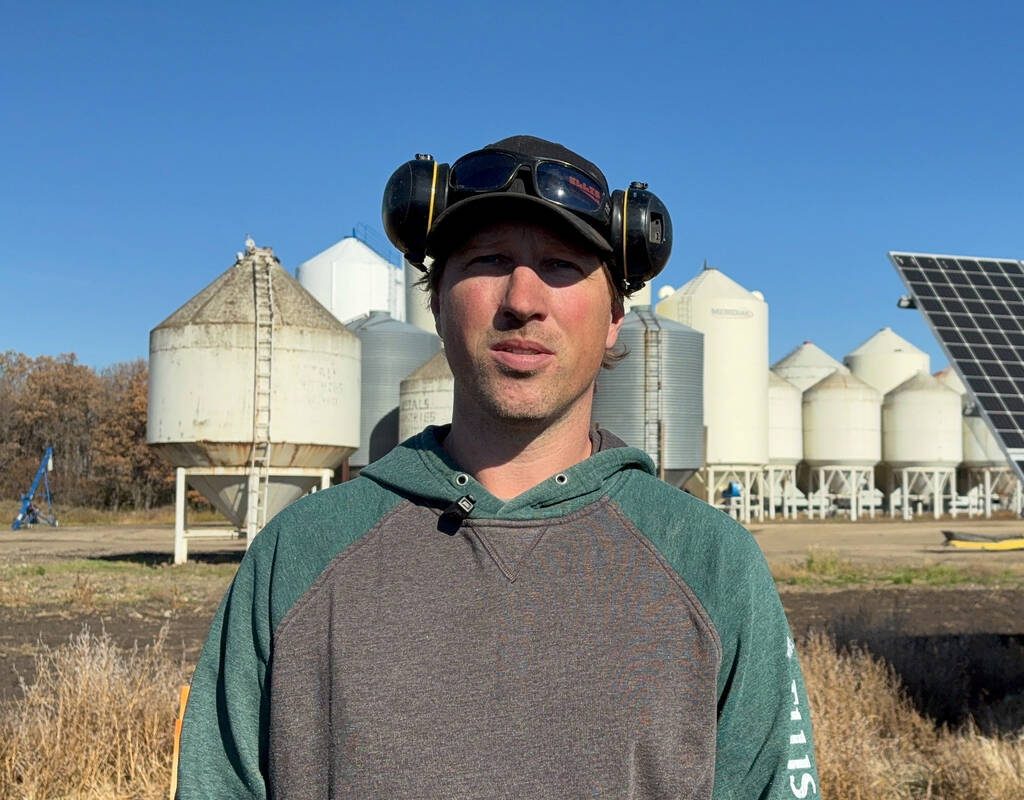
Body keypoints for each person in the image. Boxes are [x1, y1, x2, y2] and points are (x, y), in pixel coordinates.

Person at [176, 135, 819, 799]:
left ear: (614, 320)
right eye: (489, 260)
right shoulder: (300, 554)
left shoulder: (711, 565)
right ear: (436, 300)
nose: (522, 299)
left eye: (563, 265)